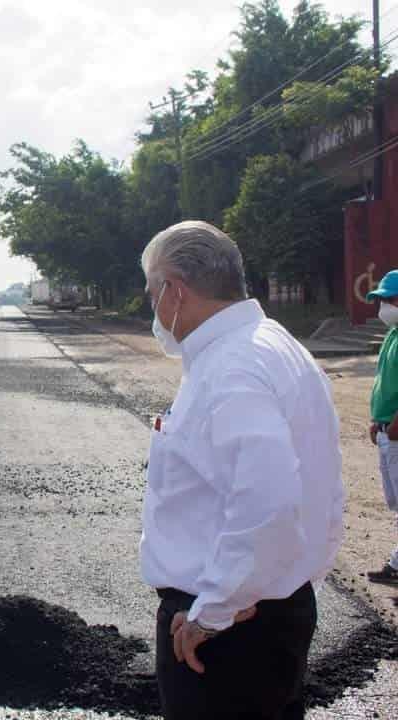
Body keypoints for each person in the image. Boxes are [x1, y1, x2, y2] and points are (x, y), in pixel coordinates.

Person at [139, 221, 343, 719]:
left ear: (175, 292)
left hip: (226, 635)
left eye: (150, 292)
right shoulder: (269, 344)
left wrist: (215, 611)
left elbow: (266, 501)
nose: (152, 307)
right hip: (265, 609)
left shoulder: (233, 370)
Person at [365, 270, 398, 587]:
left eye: (390, 300)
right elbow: (384, 384)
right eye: (383, 300)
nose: (385, 306)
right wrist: (378, 420)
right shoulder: (392, 336)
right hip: (388, 431)